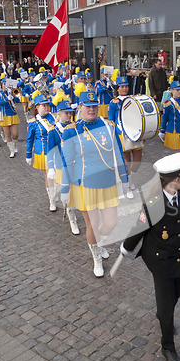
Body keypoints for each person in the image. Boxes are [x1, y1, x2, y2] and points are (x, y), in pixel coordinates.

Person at [120, 152, 180, 361]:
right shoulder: (154, 203)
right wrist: (127, 247)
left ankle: (164, 315)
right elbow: (139, 227)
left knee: (177, 293)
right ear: (176, 179)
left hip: (179, 256)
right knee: (166, 304)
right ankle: (167, 346)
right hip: (160, 260)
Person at [61, 91, 128, 278]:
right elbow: (67, 162)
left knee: (111, 222)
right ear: (80, 107)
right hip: (86, 184)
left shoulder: (109, 126)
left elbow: (119, 152)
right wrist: (65, 188)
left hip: (107, 182)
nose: (91, 109)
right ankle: (96, 257)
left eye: (94, 106)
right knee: (93, 223)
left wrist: (124, 178)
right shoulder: (71, 131)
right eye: (87, 106)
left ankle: (99, 242)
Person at [47, 91, 80, 235]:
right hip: (61, 166)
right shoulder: (53, 130)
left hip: (76, 165)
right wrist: (50, 167)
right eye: (66, 113)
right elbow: (49, 150)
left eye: (70, 113)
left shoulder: (75, 127)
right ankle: (73, 219)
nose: (69, 115)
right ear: (59, 114)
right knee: (68, 194)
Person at [107, 76, 141, 199]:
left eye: (126, 86)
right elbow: (111, 120)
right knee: (126, 161)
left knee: (137, 160)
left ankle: (130, 177)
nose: (125, 88)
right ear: (118, 88)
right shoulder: (113, 102)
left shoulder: (133, 100)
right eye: (122, 87)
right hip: (122, 134)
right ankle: (128, 183)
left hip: (135, 133)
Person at [26, 91, 58, 211]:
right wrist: (28, 154)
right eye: (43, 105)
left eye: (47, 105)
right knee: (49, 176)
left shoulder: (54, 117)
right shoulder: (33, 122)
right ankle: (52, 200)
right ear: (37, 106)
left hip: (56, 150)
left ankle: (57, 193)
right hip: (43, 152)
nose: (46, 107)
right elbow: (30, 140)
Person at [159, 81, 180, 151]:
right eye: (177, 90)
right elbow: (165, 119)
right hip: (174, 131)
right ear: (171, 90)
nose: (179, 92)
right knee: (178, 154)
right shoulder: (168, 104)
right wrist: (162, 131)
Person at [0, 77, 21, 158]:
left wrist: (15, 93)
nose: (5, 86)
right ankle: (11, 150)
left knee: (15, 134)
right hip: (5, 115)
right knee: (7, 134)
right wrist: (7, 99)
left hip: (13, 114)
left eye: (6, 84)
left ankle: (15, 144)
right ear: (2, 85)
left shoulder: (12, 91)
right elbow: (0, 103)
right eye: (4, 84)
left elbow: (18, 100)